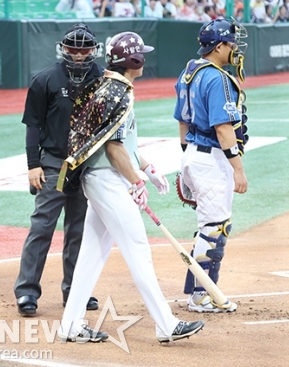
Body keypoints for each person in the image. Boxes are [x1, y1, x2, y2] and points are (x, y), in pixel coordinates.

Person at [57, 31, 205, 344]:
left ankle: (70, 325)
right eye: (142, 54)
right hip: (106, 180)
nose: (145, 59)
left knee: (91, 254)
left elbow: (123, 142)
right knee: (137, 249)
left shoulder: (110, 87)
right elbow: (113, 149)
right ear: (133, 60)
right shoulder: (117, 92)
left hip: (101, 179)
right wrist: (136, 180)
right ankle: (166, 324)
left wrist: (146, 168)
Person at [14, 24, 104, 317]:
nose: (79, 55)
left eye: (84, 49)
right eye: (74, 48)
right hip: (54, 163)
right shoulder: (44, 80)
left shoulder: (103, 79)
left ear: (94, 50)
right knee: (42, 226)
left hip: (87, 164)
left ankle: (74, 291)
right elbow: (33, 126)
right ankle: (27, 291)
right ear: (63, 49)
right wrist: (33, 165)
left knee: (79, 230)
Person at [173, 18, 249, 313]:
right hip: (212, 157)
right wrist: (238, 169)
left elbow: (182, 120)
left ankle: (200, 290)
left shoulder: (189, 72)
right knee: (214, 228)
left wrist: (186, 160)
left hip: (193, 154)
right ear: (219, 46)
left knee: (209, 226)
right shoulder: (216, 78)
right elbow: (222, 128)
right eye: (231, 43)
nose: (234, 48)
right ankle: (202, 295)